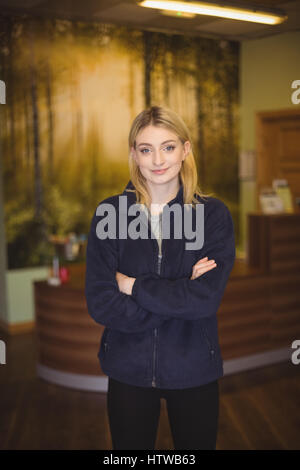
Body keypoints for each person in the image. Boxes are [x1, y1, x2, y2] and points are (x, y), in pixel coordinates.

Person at [85, 105, 236, 450]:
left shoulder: (212, 215)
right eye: (146, 149)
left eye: (168, 147)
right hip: (127, 368)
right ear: (133, 155)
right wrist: (181, 294)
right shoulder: (110, 214)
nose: (158, 160)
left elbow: (206, 300)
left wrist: (132, 286)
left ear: (185, 150)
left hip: (194, 366)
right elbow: (101, 303)